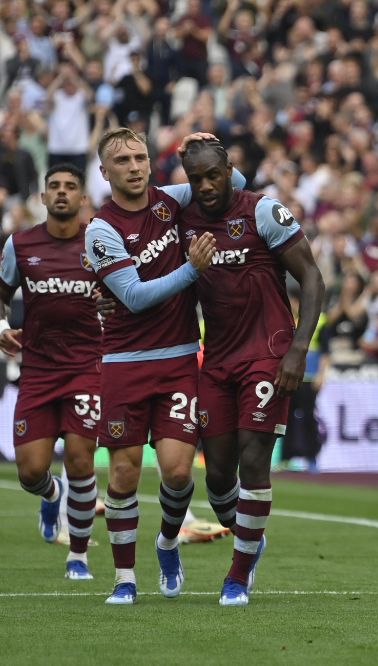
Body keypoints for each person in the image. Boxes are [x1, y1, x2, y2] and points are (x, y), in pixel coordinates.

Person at [84, 127, 243, 605]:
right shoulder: (101, 228)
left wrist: (204, 149)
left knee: (176, 474)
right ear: (104, 170)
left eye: (140, 157)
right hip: (123, 364)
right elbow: (132, 297)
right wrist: (192, 269)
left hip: (177, 359)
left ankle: (168, 542)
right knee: (123, 477)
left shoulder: (172, 200)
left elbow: (236, 179)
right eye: (123, 160)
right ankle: (125, 579)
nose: (134, 166)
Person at [178, 138, 324, 606]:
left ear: (229, 171)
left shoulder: (263, 212)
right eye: (195, 178)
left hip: (268, 352)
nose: (204, 185)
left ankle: (237, 577)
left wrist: (298, 350)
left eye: (212, 175)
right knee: (218, 477)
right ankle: (250, 537)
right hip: (216, 359)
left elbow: (314, 278)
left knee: (254, 459)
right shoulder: (184, 222)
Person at [0, 163, 101, 580]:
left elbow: (126, 293)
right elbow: (1, 295)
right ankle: (50, 495)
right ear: (42, 198)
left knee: (80, 461)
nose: (62, 193)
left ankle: (77, 555)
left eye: (70, 187)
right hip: (38, 370)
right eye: (54, 187)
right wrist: (3, 329)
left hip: (86, 368)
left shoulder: (100, 244)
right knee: (30, 472)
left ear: (82, 198)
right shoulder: (19, 245)